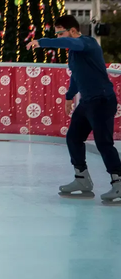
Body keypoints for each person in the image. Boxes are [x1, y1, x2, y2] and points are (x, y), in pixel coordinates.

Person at [28, 15, 121, 202]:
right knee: (73, 138)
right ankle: (82, 180)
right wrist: (69, 96)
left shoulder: (88, 43)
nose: (60, 37)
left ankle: (118, 184)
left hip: (102, 100)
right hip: (87, 102)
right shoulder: (73, 53)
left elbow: (71, 43)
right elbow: (76, 75)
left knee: (104, 143)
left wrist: (42, 42)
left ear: (72, 31)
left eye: (61, 33)